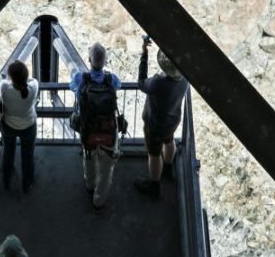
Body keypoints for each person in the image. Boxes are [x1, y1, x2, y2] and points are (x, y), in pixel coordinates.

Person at [134, 35, 189, 199]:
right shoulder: (186, 77)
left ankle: (154, 186)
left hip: (155, 124)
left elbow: (142, 83)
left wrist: (144, 53)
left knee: (154, 154)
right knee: (169, 141)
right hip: (172, 121)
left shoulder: (159, 83)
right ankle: (168, 168)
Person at [69, 42, 122, 209]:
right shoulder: (111, 79)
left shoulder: (80, 78)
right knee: (106, 170)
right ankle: (98, 202)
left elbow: (72, 87)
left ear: (89, 60)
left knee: (89, 157)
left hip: (88, 129)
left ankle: (89, 186)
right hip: (108, 130)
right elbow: (118, 86)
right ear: (104, 61)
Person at [0, 58, 39, 192]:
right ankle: (27, 184)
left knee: (8, 154)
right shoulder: (32, 89)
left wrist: (11, 79)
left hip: (9, 126)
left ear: (11, 78)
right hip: (28, 126)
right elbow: (33, 81)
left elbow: (3, 82)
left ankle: (6, 182)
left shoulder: (4, 89)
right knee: (28, 157)